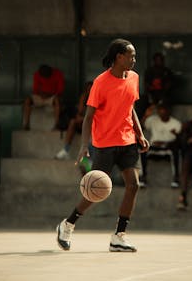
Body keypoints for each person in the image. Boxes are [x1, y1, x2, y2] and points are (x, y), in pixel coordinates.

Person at [56, 39, 149, 252]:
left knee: (133, 185)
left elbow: (130, 107)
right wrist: (83, 146)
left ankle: (119, 236)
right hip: (105, 143)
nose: (134, 60)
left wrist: (140, 133)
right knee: (96, 190)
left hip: (128, 140)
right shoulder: (101, 82)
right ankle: (67, 224)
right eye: (131, 56)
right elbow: (89, 117)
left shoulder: (134, 78)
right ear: (119, 57)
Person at [140, 102, 182, 188]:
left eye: (164, 109)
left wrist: (165, 142)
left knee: (175, 150)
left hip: (168, 148)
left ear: (168, 111)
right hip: (154, 147)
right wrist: (145, 116)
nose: (162, 112)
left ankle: (176, 178)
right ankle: (142, 177)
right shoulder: (152, 120)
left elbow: (179, 139)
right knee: (142, 149)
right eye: (160, 109)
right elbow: (140, 128)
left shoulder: (176, 123)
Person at [55, 81, 93, 161]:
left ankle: (89, 157)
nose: (90, 91)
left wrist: (84, 119)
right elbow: (79, 113)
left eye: (91, 89)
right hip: (84, 124)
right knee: (73, 122)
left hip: (94, 126)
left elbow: (96, 117)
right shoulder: (84, 97)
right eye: (88, 90)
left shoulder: (98, 98)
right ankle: (65, 150)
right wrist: (83, 99)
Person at [22, 65, 64, 130]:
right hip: (40, 96)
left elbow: (60, 90)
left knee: (57, 101)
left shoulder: (58, 74)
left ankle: (56, 124)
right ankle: (26, 124)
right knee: (27, 100)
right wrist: (41, 94)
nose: (45, 77)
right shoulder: (37, 74)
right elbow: (35, 89)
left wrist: (49, 94)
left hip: (52, 97)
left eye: (47, 75)